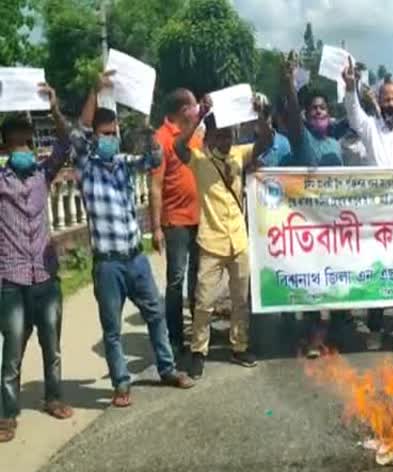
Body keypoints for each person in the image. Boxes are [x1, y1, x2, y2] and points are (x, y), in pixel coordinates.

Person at [71, 71, 194, 407]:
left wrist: (147, 124)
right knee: (111, 329)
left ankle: (167, 370)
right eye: (105, 134)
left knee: (155, 314)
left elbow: (153, 159)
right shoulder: (86, 167)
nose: (110, 138)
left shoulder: (124, 164)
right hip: (108, 265)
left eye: (114, 133)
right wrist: (96, 91)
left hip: (135, 258)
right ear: (95, 138)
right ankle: (121, 384)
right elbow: (77, 133)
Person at [0, 85, 72, 444]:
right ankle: (7, 414)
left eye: (28, 143)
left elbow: (66, 143)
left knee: (52, 344)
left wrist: (54, 109)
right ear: (5, 149)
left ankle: (53, 397)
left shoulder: (44, 176)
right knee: (12, 350)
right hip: (11, 280)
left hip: (46, 276)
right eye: (16, 145)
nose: (24, 150)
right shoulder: (0, 182)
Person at [173, 94, 264, 380]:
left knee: (240, 299)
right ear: (209, 135)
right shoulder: (199, 160)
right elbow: (178, 146)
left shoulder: (239, 154)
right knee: (203, 302)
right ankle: (199, 351)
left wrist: (262, 116)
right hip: (211, 242)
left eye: (229, 134)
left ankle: (240, 346)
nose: (225, 139)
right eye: (220, 134)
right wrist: (200, 115)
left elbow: (267, 143)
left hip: (238, 241)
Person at [342, 58, 393, 350]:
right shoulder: (369, 128)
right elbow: (352, 112)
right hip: (375, 218)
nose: (390, 104)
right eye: (385, 99)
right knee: (377, 273)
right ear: (378, 101)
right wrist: (350, 87)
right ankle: (375, 329)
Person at [281, 51, 346, 358]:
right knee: (313, 280)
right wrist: (289, 85)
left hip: (336, 224)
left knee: (336, 277)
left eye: (323, 108)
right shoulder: (302, 139)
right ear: (307, 115)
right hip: (308, 226)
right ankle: (314, 336)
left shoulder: (335, 143)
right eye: (314, 109)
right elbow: (292, 117)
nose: (319, 112)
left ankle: (333, 329)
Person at [150, 89, 203, 358]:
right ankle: (175, 337)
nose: (197, 110)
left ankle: (198, 331)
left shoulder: (196, 136)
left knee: (198, 277)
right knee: (176, 279)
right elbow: (156, 186)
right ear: (185, 110)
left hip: (199, 218)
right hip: (175, 221)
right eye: (195, 106)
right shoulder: (160, 139)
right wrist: (156, 227)